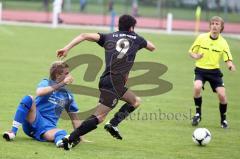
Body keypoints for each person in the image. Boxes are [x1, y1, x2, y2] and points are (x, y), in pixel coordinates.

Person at [57, 14, 155, 150]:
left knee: (135, 101)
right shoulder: (137, 39)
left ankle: (113, 124)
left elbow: (84, 35)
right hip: (114, 83)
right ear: (132, 27)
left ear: (118, 26)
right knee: (99, 117)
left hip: (107, 80)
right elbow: (152, 47)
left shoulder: (109, 37)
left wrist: (67, 48)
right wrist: (134, 35)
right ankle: (69, 138)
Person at [3, 61, 83, 147]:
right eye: (66, 73)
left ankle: (61, 143)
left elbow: (75, 118)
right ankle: (12, 132)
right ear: (58, 75)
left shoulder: (68, 95)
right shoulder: (46, 83)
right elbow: (39, 92)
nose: (69, 75)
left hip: (47, 129)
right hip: (33, 120)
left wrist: (80, 137)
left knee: (61, 133)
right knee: (28, 98)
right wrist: (62, 83)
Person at [189, 16, 236, 128]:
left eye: (217, 24)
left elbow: (228, 58)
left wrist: (230, 65)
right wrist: (196, 56)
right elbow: (191, 52)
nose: (214, 26)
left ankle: (223, 120)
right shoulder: (201, 38)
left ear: (221, 27)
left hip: (214, 72)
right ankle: (198, 114)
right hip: (200, 69)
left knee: (222, 95)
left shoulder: (223, 43)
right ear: (210, 26)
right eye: (213, 23)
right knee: (197, 87)